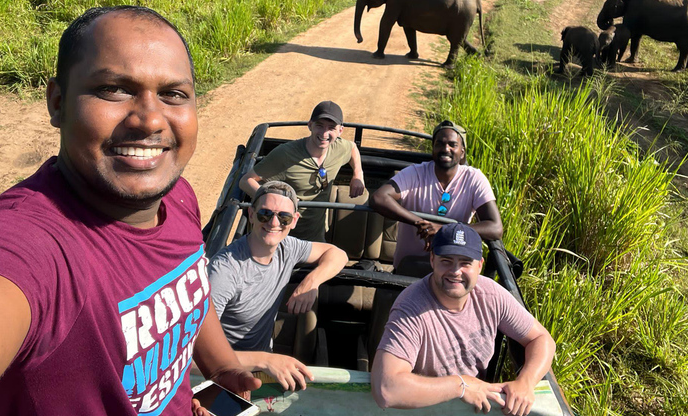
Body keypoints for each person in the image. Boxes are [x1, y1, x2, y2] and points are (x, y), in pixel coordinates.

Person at [0, 6, 260, 416]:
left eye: (173, 94)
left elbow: (188, 285)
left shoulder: (178, 198)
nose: (149, 119)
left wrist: (222, 366)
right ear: (58, 103)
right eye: (113, 89)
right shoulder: (31, 247)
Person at [371, 223, 556, 416]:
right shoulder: (411, 308)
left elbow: (542, 339)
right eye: (446, 261)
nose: (455, 271)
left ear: (479, 265)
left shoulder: (492, 295)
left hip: (475, 407)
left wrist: (525, 381)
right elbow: (387, 389)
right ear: (432, 260)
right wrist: (461, 385)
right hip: (425, 408)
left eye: (465, 263)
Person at [208, 181, 348, 392]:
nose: (274, 223)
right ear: (252, 214)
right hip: (224, 372)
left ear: (294, 221)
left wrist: (311, 282)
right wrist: (265, 360)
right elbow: (194, 353)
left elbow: (338, 254)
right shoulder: (224, 270)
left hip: (264, 366)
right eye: (265, 214)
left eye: (284, 217)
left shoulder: (287, 247)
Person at [369, 120, 502, 275]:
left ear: (462, 152)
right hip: (408, 269)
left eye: (453, 144)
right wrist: (420, 224)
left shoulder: (474, 179)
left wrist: (445, 231)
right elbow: (378, 198)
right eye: (439, 144)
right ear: (433, 149)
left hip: (453, 270)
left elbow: (495, 228)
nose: (446, 149)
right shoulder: (415, 173)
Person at [239, 101, 364, 242]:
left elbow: (353, 148)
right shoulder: (285, 154)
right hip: (278, 236)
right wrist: (276, 202)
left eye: (331, 128)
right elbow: (245, 181)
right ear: (310, 125)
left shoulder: (339, 148)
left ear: (340, 131)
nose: (324, 133)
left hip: (315, 237)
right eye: (319, 126)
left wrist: (358, 175)